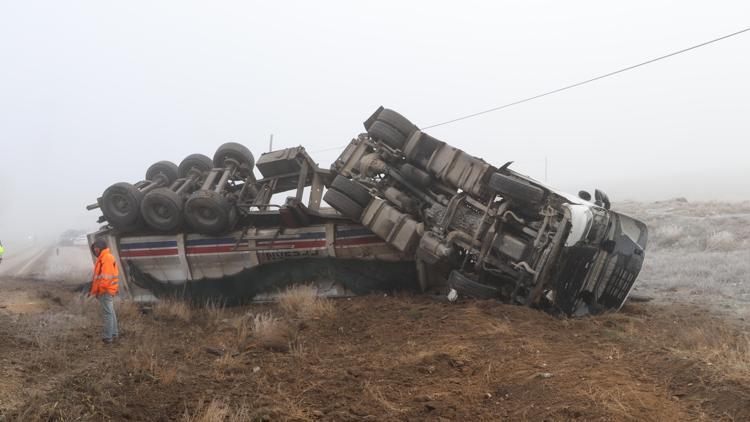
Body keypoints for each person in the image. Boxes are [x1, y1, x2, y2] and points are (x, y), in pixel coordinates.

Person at [90, 238, 119, 344]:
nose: (95, 250)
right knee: (111, 312)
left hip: (105, 291)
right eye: (94, 248)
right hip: (107, 290)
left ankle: (108, 337)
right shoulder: (105, 257)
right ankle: (114, 334)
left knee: (108, 314)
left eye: (96, 248)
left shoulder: (106, 258)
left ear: (101, 247)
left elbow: (106, 278)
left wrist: (100, 290)